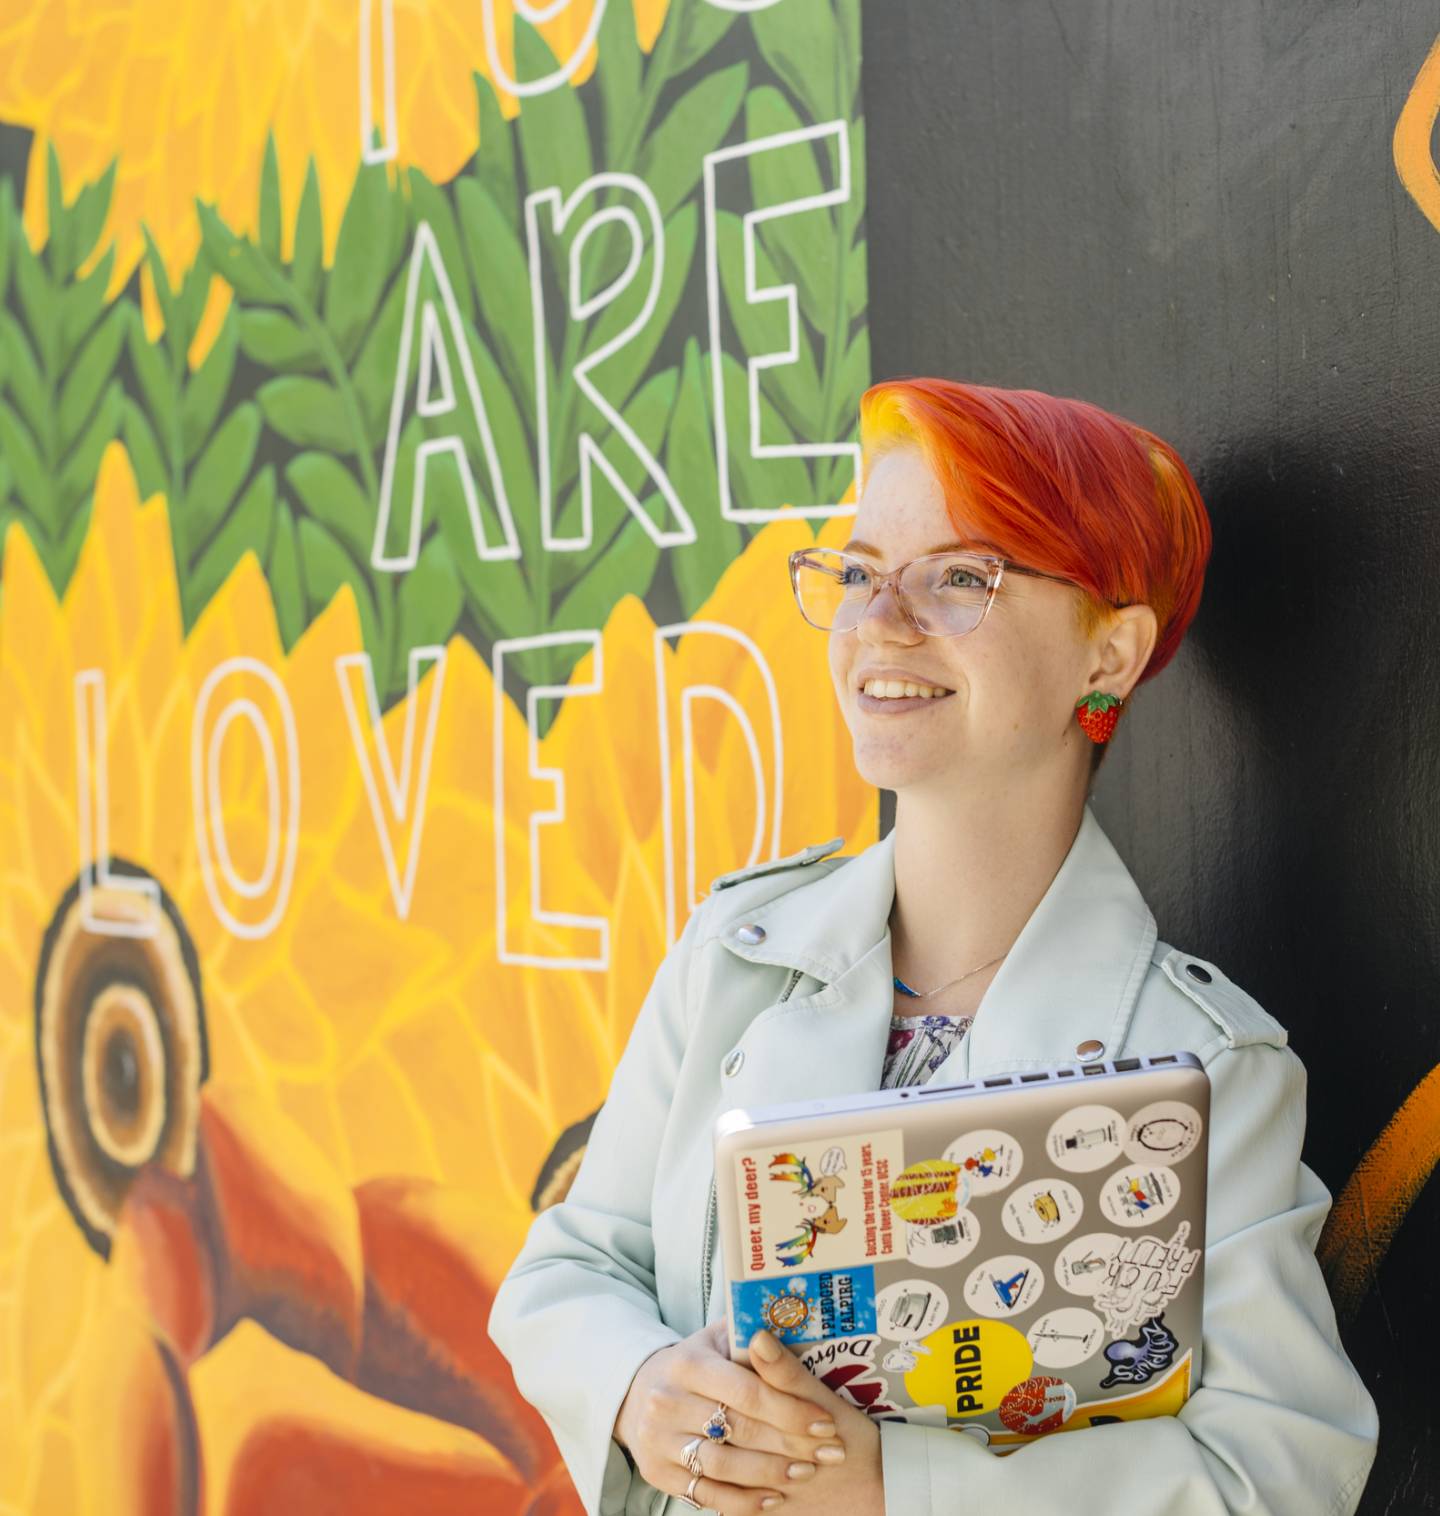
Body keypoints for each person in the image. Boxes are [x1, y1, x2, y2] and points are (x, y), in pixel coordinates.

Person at [487, 378, 1380, 1516]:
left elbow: (1276, 1476)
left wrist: (896, 1487)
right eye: (860, 573)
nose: (878, 622)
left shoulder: (1207, 1069)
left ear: (1109, 653)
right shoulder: (735, 957)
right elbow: (568, 1265)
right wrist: (638, 1384)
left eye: (959, 577)